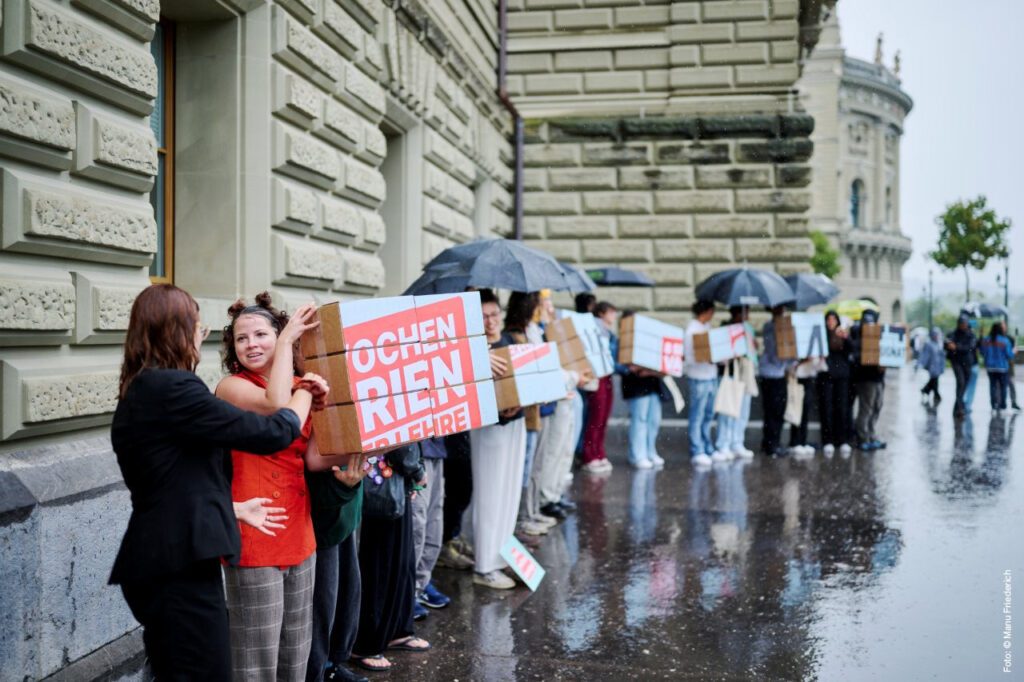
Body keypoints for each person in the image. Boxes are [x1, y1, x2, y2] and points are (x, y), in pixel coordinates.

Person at [110, 284, 319, 680]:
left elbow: (174, 482)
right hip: (175, 562)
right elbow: (273, 431)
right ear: (177, 331)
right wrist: (306, 391)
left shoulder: (147, 387)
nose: (200, 336)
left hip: (169, 556)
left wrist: (232, 508)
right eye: (196, 327)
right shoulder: (172, 388)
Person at [215, 294, 329, 682]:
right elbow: (276, 406)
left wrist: (373, 444)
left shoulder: (302, 387)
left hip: (299, 532)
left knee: (295, 652)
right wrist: (288, 343)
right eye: (241, 338)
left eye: (261, 334)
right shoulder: (231, 387)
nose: (251, 344)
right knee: (256, 659)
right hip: (253, 533)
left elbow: (314, 458)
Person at [350, 445, 431, 672]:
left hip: (394, 471)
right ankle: (366, 642)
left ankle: (397, 629)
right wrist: (415, 470)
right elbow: (398, 438)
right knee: (381, 562)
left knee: (400, 560)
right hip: (383, 469)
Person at [470, 289, 526, 589]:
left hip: (515, 423)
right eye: (483, 317)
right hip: (488, 427)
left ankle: (501, 555)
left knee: (509, 492)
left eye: (494, 314)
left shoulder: (509, 342)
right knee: (490, 494)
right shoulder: (474, 348)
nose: (491, 321)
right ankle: (485, 565)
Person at [305, 456, 367, 682]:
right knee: (323, 601)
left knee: (347, 591)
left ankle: (332, 663)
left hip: (346, 503)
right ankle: (318, 669)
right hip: (321, 504)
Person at [503, 291, 554, 537]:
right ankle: (522, 519)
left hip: (532, 411)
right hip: (524, 413)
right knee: (524, 468)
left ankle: (529, 514)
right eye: (537, 305)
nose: (541, 309)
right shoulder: (513, 337)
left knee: (532, 466)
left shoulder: (529, 333)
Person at [411, 436, 452, 619]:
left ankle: (421, 583)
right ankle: (409, 592)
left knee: (434, 522)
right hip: (416, 448)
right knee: (417, 523)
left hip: (437, 445)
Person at [619, 310, 665, 469]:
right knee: (639, 420)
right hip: (636, 386)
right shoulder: (623, 342)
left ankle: (650, 451)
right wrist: (635, 368)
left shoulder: (645, 339)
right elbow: (623, 365)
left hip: (652, 384)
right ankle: (637, 455)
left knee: (653, 420)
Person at [581, 301, 623, 473]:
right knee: (596, 417)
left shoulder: (608, 333)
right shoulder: (594, 329)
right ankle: (590, 455)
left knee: (603, 416)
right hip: (598, 376)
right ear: (601, 313)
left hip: (607, 375)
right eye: (611, 312)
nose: (614, 316)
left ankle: (598, 452)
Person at [684, 299, 724, 466]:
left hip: (711, 375)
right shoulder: (692, 330)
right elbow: (688, 356)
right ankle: (697, 449)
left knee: (708, 414)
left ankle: (707, 446)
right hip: (698, 377)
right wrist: (706, 358)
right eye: (711, 312)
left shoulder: (707, 328)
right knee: (697, 414)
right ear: (706, 312)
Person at [714, 306, 757, 460]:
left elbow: (752, 353)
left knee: (743, 412)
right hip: (731, 374)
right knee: (727, 411)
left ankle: (737, 442)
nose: (747, 315)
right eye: (744, 312)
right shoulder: (725, 328)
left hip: (746, 374)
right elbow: (721, 354)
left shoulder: (748, 329)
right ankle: (723, 444)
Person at [817, 311, 853, 456]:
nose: (831, 322)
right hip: (826, 375)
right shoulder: (822, 335)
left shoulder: (842, 334)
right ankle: (828, 440)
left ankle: (842, 439)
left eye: (833, 319)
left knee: (842, 407)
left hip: (841, 375)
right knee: (827, 408)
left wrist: (845, 337)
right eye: (828, 319)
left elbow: (851, 349)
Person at [759, 305, 793, 458]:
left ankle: (771, 442)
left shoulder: (776, 327)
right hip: (773, 374)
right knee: (774, 411)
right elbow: (774, 352)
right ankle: (772, 444)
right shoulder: (771, 327)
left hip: (776, 373)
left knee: (773, 410)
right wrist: (789, 360)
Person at [851, 309, 886, 451]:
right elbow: (856, 357)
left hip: (879, 378)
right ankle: (863, 437)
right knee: (866, 409)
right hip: (866, 379)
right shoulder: (857, 336)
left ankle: (871, 434)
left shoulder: (880, 335)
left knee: (877, 407)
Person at [789, 355, 824, 456]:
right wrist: (803, 360)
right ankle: (795, 442)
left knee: (806, 409)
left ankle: (802, 441)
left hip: (809, 375)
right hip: (797, 377)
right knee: (797, 409)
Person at [946, 314, 978, 419]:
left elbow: (970, 347)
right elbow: (947, 343)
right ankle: (960, 408)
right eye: (961, 323)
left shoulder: (970, 335)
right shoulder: (953, 334)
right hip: (956, 362)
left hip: (967, 363)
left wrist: (956, 347)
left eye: (964, 323)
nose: (963, 325)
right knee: (960, 382)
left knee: (963, 385)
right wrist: (949, 344)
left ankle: (957, 407)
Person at [980, 322, 1015, 413]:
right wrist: (1014, 352)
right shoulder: (1004, 340)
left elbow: (982, 352)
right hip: (1002, 367)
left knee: (992, 386)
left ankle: (993, 406)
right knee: (1003, 387)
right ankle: (1003, 406)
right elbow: (1009, 355)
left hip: (990, 367)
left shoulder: (986, 340)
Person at [917, 327, 945, 406]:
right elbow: (925, 355)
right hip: (932, 366)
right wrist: (921, 363)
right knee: (935, 380)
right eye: (935, 334)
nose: (936, 336)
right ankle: (936, 394)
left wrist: (942, 365)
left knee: (933, 380)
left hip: (938, 366)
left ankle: (925, 390)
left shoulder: (938, 344)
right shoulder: (928, 344)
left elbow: (941, 355)